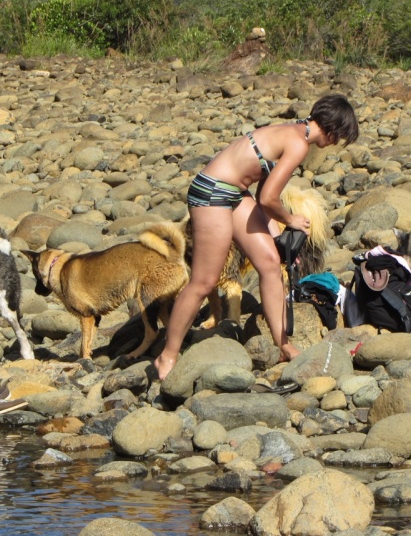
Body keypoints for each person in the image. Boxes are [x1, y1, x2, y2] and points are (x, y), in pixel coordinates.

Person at [154, 94, 359, 380]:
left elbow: (262, 197)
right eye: (340, 138)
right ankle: (168, 355)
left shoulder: (293, 131)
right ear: (334, 130)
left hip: (235, 193)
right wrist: (292, 220)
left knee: (270, 263)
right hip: (212, 192)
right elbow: (268, 198)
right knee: (204, 281)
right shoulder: (299, 144)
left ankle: (283, 343)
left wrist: (280, 237)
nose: (336, 145)